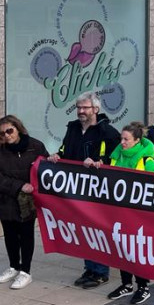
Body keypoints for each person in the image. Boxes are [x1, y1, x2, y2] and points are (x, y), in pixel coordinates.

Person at [47, 91, 120, 289]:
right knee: (82, 230)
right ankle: (89, 268)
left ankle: (101, 271)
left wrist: (100, 162)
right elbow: (65, 149)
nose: (80, 111)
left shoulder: (108, 132)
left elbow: (118, 158)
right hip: (75, 188)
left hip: (97, 190)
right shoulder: (72, 128)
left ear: (95, 109)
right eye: (79, 107)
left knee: (97, 230)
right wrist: (57, 156)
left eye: (85, 108)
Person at [93, 122, 154, 305]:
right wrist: (96, 163)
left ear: (137, 141)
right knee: (122, 249)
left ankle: (143, 287)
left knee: (137, 251)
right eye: (121, 138)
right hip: (118, 212)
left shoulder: (146, 161)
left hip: (139, 216)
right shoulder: (115, 156)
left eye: (126, 139)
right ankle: (126, 284)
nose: (122, 142)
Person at [0, 115, 48, 291]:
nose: (6, 135)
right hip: (5, 199)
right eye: (2, 133)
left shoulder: (35, 146)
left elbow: (44, 168)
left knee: (26, 235)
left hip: (28, 201)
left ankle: (25, 272)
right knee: (10, 234)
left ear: (18, 128)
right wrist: (19, 185)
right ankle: (14, 266)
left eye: (9, 131)